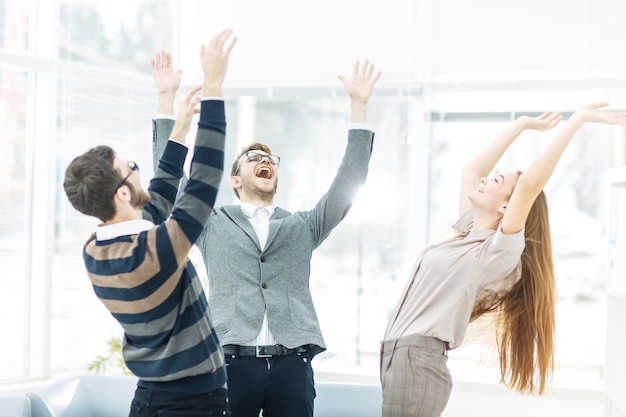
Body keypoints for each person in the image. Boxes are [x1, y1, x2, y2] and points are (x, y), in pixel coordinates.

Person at [151, 57, 381, 417]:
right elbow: (168, 181)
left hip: (292, 366)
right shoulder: (211, 223)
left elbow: (348, 181)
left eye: (271, 159)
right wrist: (166, 101)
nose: (266, 160)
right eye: (255, 157)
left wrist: (359, 106)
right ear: (236, 180)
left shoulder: (302, 226)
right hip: (229, 364)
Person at [381, 103, 626, 417]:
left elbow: (528, 185)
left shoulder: (497, 254)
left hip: (417, 359)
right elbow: (471, 171)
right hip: (400, 357)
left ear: (506, 209)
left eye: (496, 182)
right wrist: (521, 125)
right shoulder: (467, 233)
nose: (485, 181)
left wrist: (577, 121)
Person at [62, 29, 237, 417]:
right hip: (190, 405)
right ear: (122, 195)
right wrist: (214, 87)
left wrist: (172, 116)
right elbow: (204, 179)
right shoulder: (154, 250)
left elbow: (155, 202)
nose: (139, 172)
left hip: (154, 399)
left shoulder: (96, 250)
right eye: (132, 169)